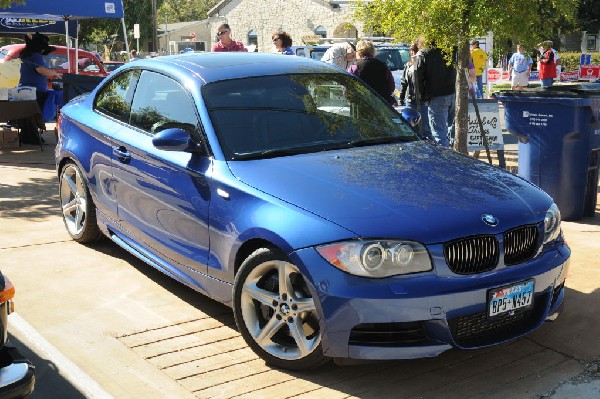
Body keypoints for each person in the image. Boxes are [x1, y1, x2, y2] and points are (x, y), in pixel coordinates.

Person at [17, 32, 61, 144]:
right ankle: (32, 137)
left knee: (28, 115)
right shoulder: (36, 56)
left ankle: (26, 136)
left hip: (25, 88)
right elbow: (41, 70)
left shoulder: (25, 55)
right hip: (35, 90)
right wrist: (54, 73)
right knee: (35, 114)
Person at [414, 36, 457, 148]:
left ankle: (445, 160)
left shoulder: (424, 53)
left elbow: (418, 78)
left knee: (439, 134)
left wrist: (423, 96)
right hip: (452, 92)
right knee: (451, 129)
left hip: (436, 95)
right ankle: (452, 152)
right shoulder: (450, 50)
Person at [347, 40, 396, 106]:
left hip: (361, 105)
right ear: (373, 51)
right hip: (381, 104)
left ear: (358, 52)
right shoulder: (383, 66)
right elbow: (391, 86)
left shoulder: (354, 67)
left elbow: (348, 88)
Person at [399, 42, 431, 139]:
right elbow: (404, 82)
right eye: (412, 51)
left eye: (414, 51)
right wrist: (401, 98)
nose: (412, 53)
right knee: (411, 128)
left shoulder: (425, 64)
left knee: (425, 128)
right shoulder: (408, 66)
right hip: (411, 100)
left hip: (423, 101)